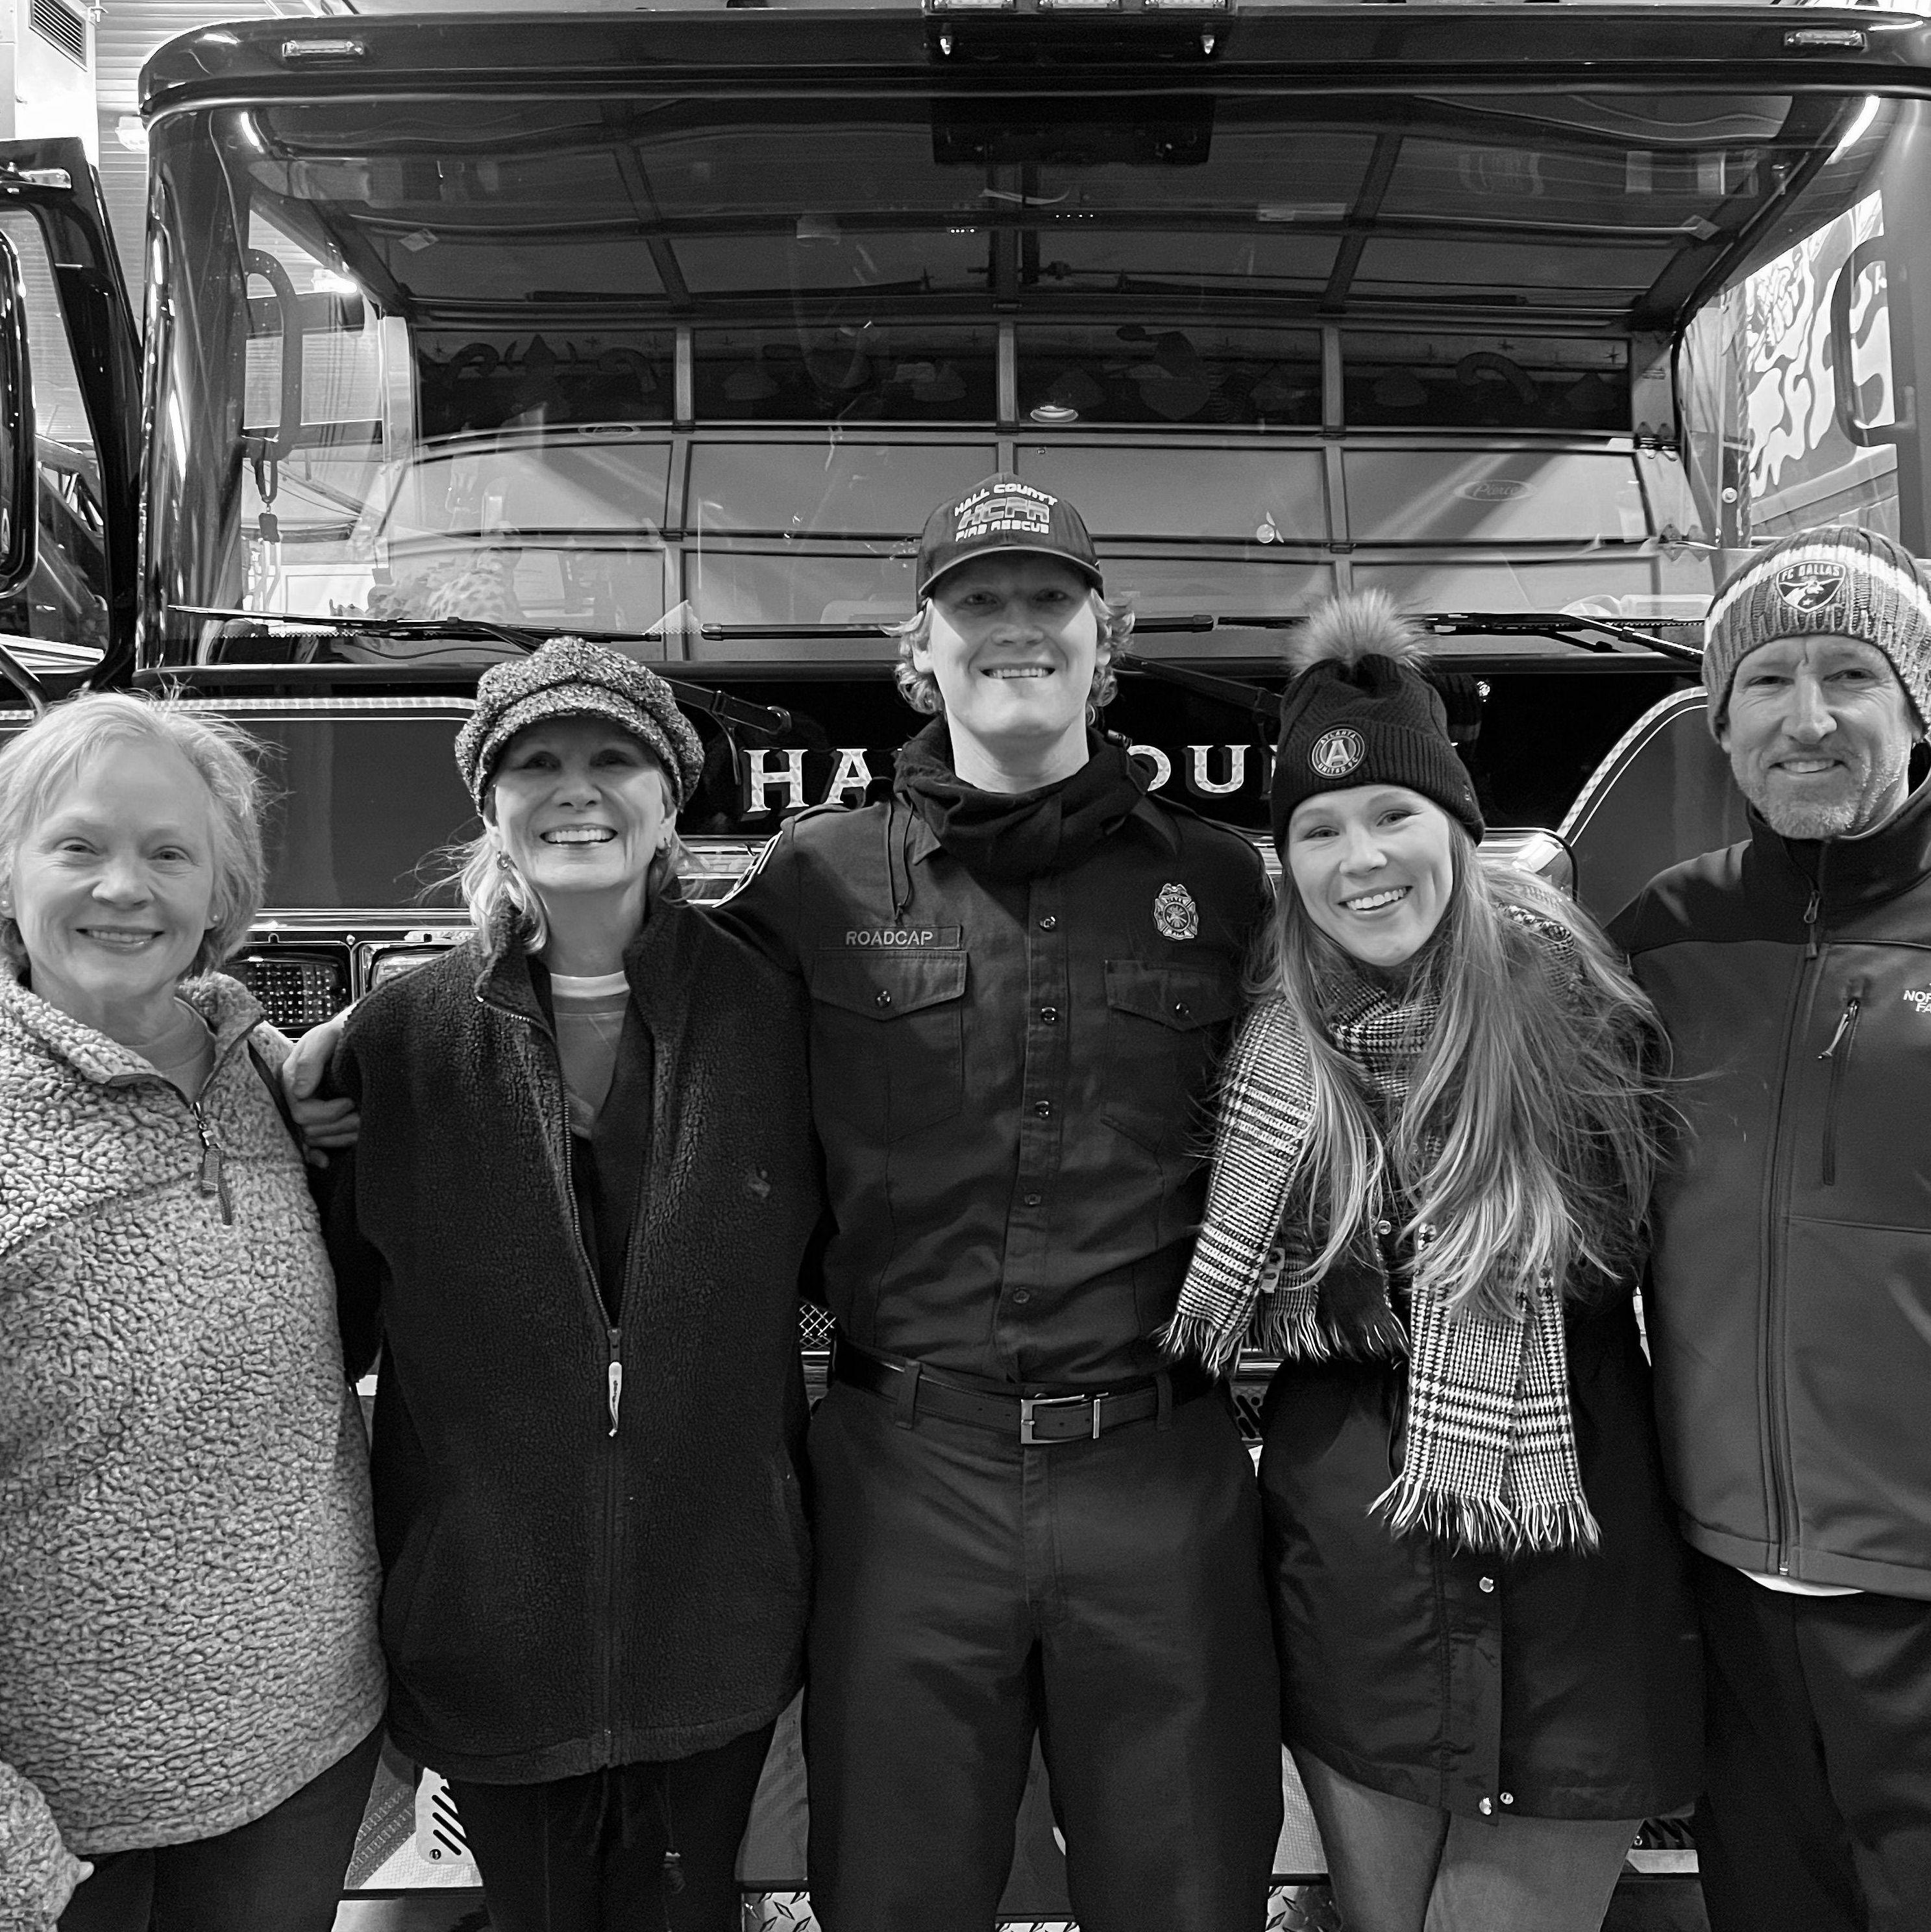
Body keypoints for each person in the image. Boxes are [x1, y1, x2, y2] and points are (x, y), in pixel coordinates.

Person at [715, 474, 1284, 1931]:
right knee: (894, 1900)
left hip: (1160, 1471)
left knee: (1191, 1900)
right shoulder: (814, 881)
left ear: (1109, 640)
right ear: (922, 648)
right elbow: (668, 1078)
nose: (1014, 630)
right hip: (908, 1480)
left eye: (1050, 601)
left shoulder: (1227, 889)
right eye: (979, 603)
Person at [1166, 594, 1701, 1932]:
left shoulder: (1586, 1019)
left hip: (1573, 1595)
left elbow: (1648, 1270)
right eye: (1320, 829)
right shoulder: (1264, 1055)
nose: (1363, 859)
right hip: (1364, 1612)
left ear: (1459, 832)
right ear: (1284, 860)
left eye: (1396, 815)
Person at [316, 639, 819, 1932]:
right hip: (491, 1634)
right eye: (536, 764)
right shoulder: (400, 1038)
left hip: (715, 1619)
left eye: (613, 761)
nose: (574, 791)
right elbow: (328, 1325)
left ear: (671, 803)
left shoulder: (776, 1020)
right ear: (491, 803)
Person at [0, 693, 384, 1932]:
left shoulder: (268, 1076)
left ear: (223, 895)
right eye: (78, 846)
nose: (125, 888)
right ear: (7, 869)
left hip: (305, 1752)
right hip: (64, 1812)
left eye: (169, 854)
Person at [1610, 526, 1931, 1932]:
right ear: (1722, 727)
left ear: (1916, 708)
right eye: (1771, 682)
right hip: (1729, 1588)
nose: (1811, 718)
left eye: (1852, 675)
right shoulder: (1659, 940)